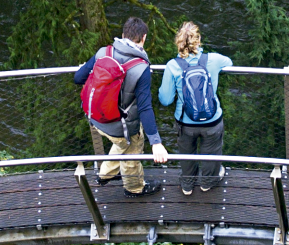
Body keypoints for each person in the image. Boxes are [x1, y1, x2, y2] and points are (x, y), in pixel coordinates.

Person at [74, 17, 169, 196]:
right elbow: (145, 108)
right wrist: (156, 142)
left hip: (96, 119)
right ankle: (134, 188)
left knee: (121, 144)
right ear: (144, 38)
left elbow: (78, 78)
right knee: (132, 146)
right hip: (121, 127)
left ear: (123, 34)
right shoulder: (141, 68)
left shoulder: (104, 52)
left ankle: (105, 174)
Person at [158, 22, 232, 195]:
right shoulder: (213, 59)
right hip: (212, 120)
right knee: (211, 154)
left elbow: (166, 100)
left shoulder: (172, 66)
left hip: (185, 122)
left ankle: (187, 185)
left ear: (178, 42)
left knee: (187, 154)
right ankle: (207, 183)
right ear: (198, 40)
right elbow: (229, 62)